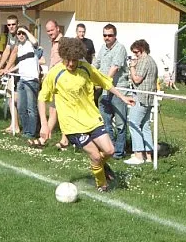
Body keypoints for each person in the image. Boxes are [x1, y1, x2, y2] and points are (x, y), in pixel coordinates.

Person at [38, 37, 135, 192]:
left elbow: (105, 82)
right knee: (95, 156)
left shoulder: (85, 68)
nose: (71, 64)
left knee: (110, 151)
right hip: (72, 125)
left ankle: (99, 165)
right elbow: (42, 98)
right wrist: (44, 124)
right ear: (63, 56)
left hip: (91, 118)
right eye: (68, 60)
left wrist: (122, 97)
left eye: (74, 60)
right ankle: (102, 185)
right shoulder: (55, 73)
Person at [93, 23, 130, 159]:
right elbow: (95, 65)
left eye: (110, 35)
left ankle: (119, 152)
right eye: (105, 35)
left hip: (118, 89)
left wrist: (102, 82)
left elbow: (114, 68)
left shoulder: (120, 48)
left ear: (115, 36)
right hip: (104, 91)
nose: (107, 37)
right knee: (105, 122)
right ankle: (111, 149)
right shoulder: (103, 48)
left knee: (120, 124)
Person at [125, 39, 158, 165]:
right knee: (145, 126)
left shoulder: (145, 60)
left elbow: (137, 79)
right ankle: (148, 156)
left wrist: (132, 67)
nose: (135, 55)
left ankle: (138, 155)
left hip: (141, 97)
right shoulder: (152, 61)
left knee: (133, 123)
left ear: (142, 50)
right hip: (149, 98)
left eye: (136, 52)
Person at [44, 19, 69, 150]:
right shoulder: (53, 43)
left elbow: (65, 62)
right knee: (52, 109)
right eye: (48, 31)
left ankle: (65, 140)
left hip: (62, 82)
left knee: (63, 111)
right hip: (53, 81)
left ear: (58, 28)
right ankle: (46, 135)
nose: (50, 33)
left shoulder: (64, 43)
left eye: (52, 30)